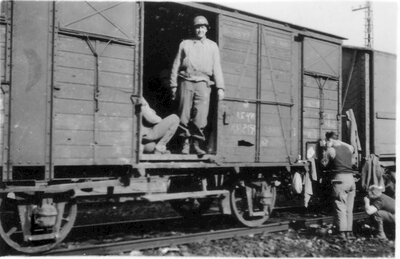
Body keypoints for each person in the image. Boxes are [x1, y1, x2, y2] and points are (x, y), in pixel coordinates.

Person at [170, 15, 225, 155]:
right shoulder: (185, 44)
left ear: (206, 29)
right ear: (194, 29)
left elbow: (217, 67)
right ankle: (185, 143)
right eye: (197, 27)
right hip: (186, 81)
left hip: (203, 83)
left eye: (202, 27)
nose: (199, 30)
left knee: (200, 115)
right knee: (184, 114)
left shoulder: (213, 46)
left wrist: (220, 87)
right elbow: (176, 65)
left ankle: (196, 143)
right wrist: (173, 85)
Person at [325, 131, 356, 239]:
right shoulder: (348, 149)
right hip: (351, 180)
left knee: (340, 206)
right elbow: (351, 147)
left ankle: (341, 233)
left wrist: (326, 148)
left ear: (329, 140)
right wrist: (340, 142)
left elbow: (323, 163)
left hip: (340, 180)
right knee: (349, 208)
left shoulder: (331, 150)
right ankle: (350, 233)